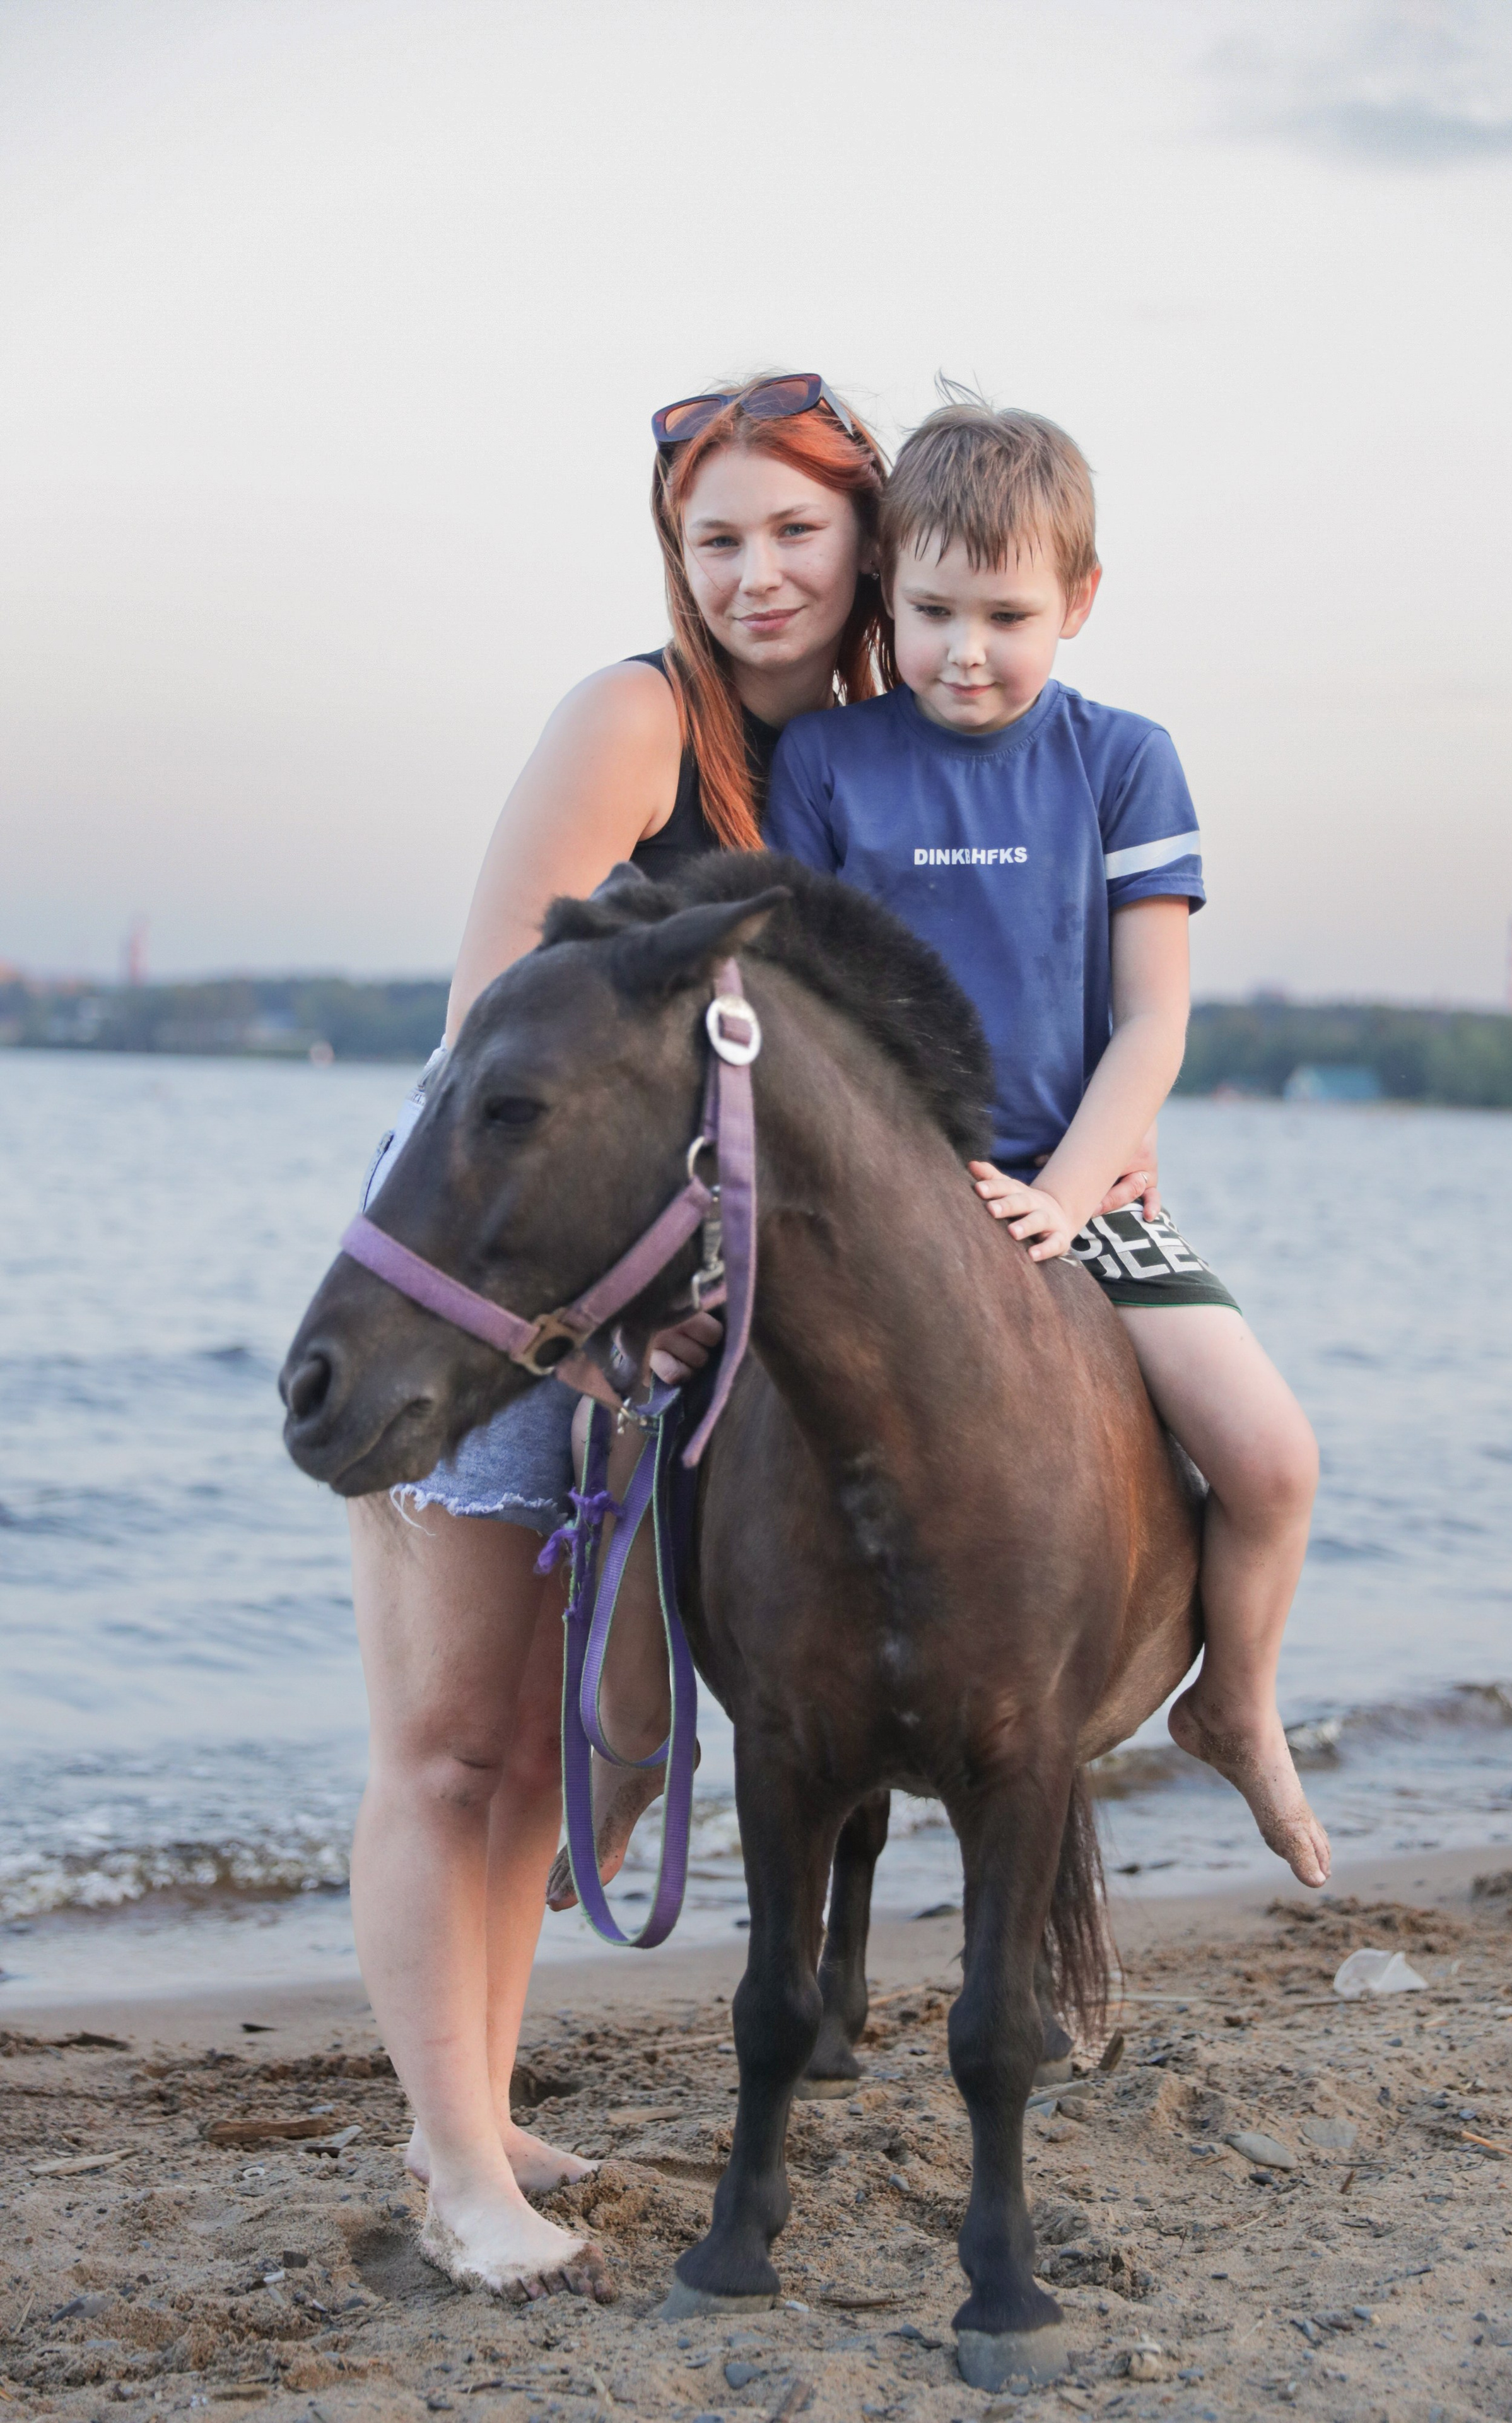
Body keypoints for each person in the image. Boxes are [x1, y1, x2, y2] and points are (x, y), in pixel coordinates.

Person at [348, 371, 892, 2297]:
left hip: (671, 1302)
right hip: (499, 1267)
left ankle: (478, 2106)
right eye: (714, 539)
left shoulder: (861, 752)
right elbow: (490, 1033)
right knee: (451, 1741)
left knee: (561, 1740)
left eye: (793, 531)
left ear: (866, 536)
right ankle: (452, 2166)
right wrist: (558, 1330)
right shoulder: (639, 718)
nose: (756, 575)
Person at [764, 391, 1330, 1891]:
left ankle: (1235, 1702)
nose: (965, 651)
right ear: (885, 592)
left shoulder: (1123, 761)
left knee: (1273, 1460)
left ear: (1077, 600)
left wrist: (1068, 1194)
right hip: (880, 1200)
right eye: (932, 612)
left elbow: (1153, 1023)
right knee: (662, 1428)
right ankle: (636, 1742)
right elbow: (805, 1008)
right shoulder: (823, 764)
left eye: (1006, 617)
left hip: (1075, 1186)